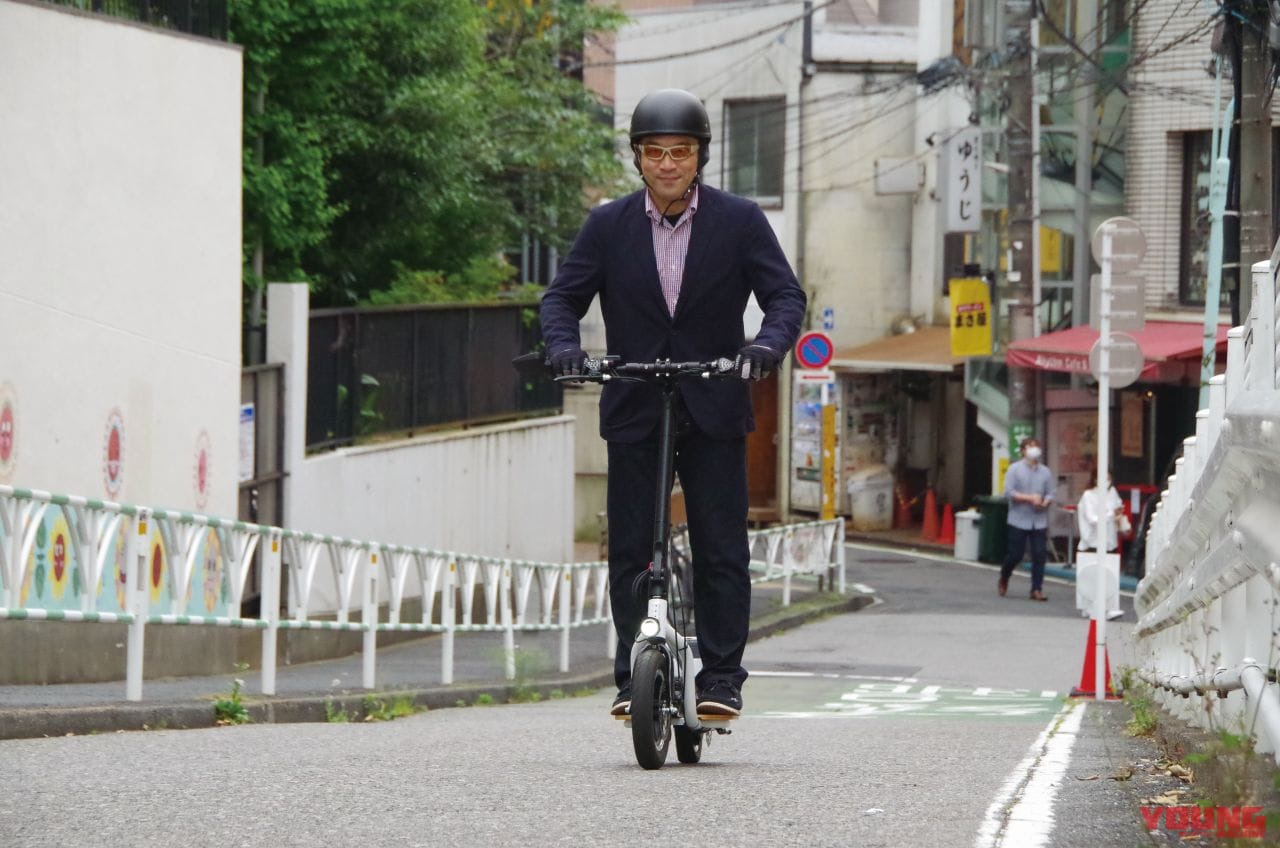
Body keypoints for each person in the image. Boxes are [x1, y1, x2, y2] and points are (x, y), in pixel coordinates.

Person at [539, 89, 806, 717]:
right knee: (631, 546)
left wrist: (766, 345)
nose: (667, 163)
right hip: (635, 402)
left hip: (714, 401)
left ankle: (721, 678)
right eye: (654, 151)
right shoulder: (607, 226)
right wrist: (564, 348)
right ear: (637, 157)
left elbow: (785, 296)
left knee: (721, 545)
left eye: (680, 152)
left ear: (700, 156)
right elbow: (560, 299)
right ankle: (632, 675)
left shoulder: (740, 221)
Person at [999, 437, 1055, 601]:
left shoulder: (1045, 472)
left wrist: (1045, 501)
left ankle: (1036, 589)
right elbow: (1008, 492)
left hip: (1039, 519)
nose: (1034, 450)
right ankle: (1004, 575)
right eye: (1030, 447)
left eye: (1036, 446)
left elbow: (1051, 492)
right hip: (1018, 518)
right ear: (1023, 450)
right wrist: (1029, 498)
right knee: (1015, 554)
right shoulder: (1014, 469)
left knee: (1039, 554)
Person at [1075, 469, 1125, 620]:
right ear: (1095, 479)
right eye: (1103, 478)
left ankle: (1108, 607)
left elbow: (1118, 508)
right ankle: (1090, 607)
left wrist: (1119, 517)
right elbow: (1092, 519)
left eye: (1109, 478)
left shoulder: (1112, 492)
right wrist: (1111, 515)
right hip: (1092, 541)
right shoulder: (1088, 496)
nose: (1106, 482)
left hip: (1109, 541)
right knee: (1092, 575)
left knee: (1109, 574)